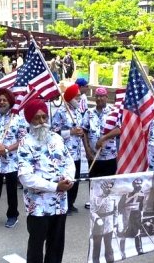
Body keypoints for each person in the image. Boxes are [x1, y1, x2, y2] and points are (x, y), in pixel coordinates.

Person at [18, 99, 75, 263]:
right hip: (38, 207)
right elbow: (25, 177)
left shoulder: (57, 138)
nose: (42, 122)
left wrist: (69, 179)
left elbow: (68, 161)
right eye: (37, 118)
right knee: (36, 247)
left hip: (60, 204)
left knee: (56, 246)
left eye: (44, 117)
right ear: (30, 120)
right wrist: (54, 186)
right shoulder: (25, 143)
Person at [0, 88, 27, 228]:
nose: (2, 102)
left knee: (12, 191)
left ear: (10, 102)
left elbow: (22, 141)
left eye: (4, 100)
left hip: (11, 162)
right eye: (0, 100)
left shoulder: (18, 120)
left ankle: (13, 216)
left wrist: (7, 149)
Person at [52, 84, 85, 214]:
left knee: (75, 179)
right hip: (65, 152)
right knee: (66, 178)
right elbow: (53, 132)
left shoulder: (78, 111)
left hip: (77, 151)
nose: (79, 98)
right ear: (70, 97)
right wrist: (70, 132)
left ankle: (71, 203)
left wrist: (81, 132)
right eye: (77, 96)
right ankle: (64, 204)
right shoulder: (61, 112)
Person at [83, 87, 118, 178]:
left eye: (102, 96)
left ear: (106, 97)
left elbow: (119, 129)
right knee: (93, 186)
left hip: (109, 156)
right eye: (97, 96)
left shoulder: (113, 112)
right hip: (93, 156)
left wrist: (104, 138)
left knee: (107, 186)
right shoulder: (89, 113)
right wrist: (87, 151)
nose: (99, 99)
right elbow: (84, 132)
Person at [90, 180, 118, 263]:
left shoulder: (113, 199)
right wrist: (97, 218)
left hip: (109, 226)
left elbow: (115, 212)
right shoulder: (96, 198)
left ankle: (110, 261)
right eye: (107, 187)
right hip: (98, 226)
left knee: (109, 246)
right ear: (102, 188)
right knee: (97, 247)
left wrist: (115, 224)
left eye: (110, 187)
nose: (108, 189)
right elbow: (92, 211)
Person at [118, 178, 145, 258]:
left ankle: (139, 250)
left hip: (136, 216)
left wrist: (141, 217)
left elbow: (141, 207)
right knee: (124, 234)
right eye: (137, 183)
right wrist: (120, 220)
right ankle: (122, 253)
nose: (139, 185)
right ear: (133, 185)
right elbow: (120, 207)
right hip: (126, 216)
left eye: (140, 183)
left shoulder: (142, 195)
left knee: (138, 233)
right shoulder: (126, 195)